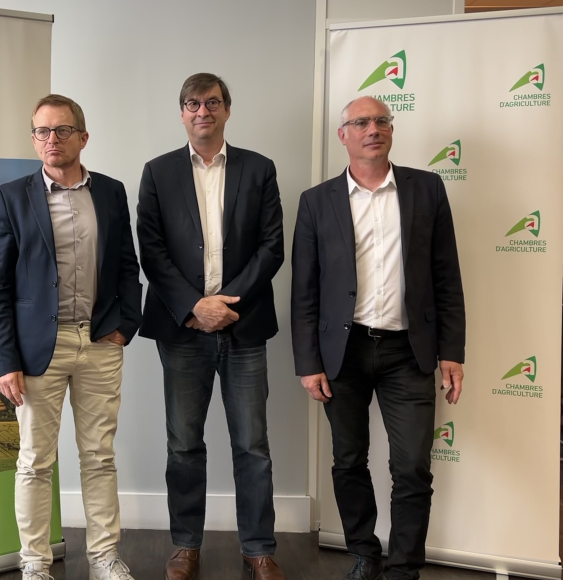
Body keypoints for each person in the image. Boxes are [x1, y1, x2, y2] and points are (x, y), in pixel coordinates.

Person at [291, 96, 466, 580]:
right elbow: (304, 288)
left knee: (412, 466)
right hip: (341, 353)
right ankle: (365, 553)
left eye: (382, 121)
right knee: (348, 461)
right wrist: (308, 361)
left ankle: (404, 568)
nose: (374, 129)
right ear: (343, 135)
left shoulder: (426, 189)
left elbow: (447, 276)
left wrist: (452, 352)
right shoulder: (316, 201)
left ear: (391, 130)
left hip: (409, 351)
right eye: (362, 122)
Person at [0, 94, 143, 580]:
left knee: (99, 457)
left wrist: (126, 325)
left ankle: (104, 558)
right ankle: (35, 564)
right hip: (36, 351)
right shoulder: (11, 197)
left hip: (99, 343)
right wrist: (5, 359)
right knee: (35, 461)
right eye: (42, 131)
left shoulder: (111, 192)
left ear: (83, 137)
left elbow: (127, 265)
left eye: (62, 130)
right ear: (34, 139)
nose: (51, 139)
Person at [137, 73, 286, 580]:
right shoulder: (157, 172)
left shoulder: (258, 168)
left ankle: (259, 549)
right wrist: (194, 306)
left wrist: (225, 305)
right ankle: (185, 545)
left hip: (243, 326)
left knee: (253, 445)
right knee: (183, 445)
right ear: (182, 112)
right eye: (193, 103)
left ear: (227, 109)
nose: (203, 111)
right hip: (182, 330)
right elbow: (151, 250)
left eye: (213, 102)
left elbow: (272, 246)